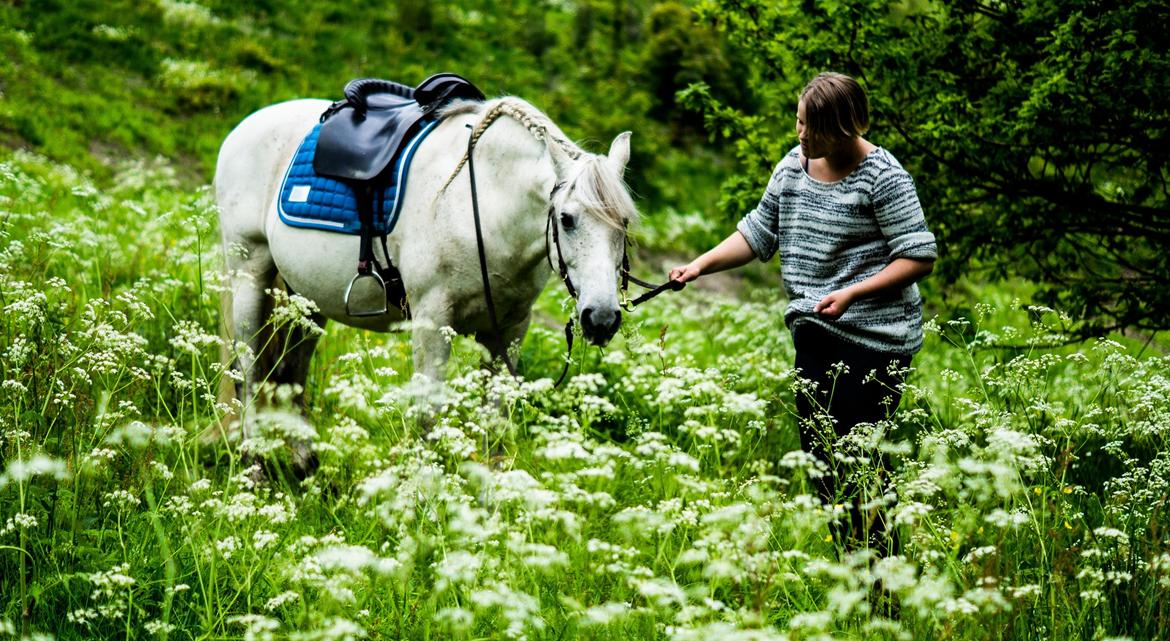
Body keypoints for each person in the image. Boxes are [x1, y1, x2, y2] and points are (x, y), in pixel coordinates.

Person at [669, 72, 937, 555]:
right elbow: (757, 234)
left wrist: (853, 293)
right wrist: (700, 265)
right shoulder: (793, 168)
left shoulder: (885, 178)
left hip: (878, 341)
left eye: (810, 128)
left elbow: (918, 256)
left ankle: (885, 588)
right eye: (798, 122)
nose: (800, 134)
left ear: (844, 128)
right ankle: (851, 574)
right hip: (815, 333)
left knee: (861, 461)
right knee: (822, 463)